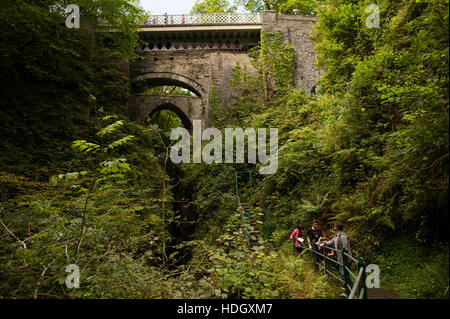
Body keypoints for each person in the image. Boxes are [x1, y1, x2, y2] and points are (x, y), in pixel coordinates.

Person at [319, 221, 353, 291]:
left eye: (334, 226)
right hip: (341, 259)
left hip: (346, 259)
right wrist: (322, 244)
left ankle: (351, 289)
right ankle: (348, 287)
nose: (333, 227)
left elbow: (345, 248)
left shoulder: (343, 236)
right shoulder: (336, 236)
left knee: (344, 274)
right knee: (343, 273)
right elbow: (330, 242)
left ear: (336, 227)